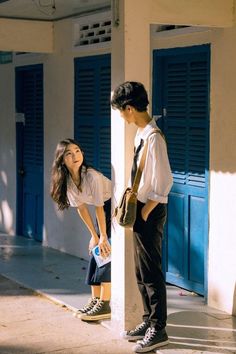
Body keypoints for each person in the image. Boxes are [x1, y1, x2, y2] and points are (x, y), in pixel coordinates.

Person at [111, 82, 173, 352]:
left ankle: (159, 328)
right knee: (140, 270)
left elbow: (164, 183)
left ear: (129, 108)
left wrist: (145, 212)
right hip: (141, 210)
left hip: (150, 210)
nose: (122, 118)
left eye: (121, 112)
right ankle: (148, 321)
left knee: (151, 272)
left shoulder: (153, 138)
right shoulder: (141, 133)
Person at [50, 138, 111, 322]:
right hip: (101, 210)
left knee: (105, 253)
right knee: (95, 252)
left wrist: (103, 237)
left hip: (113, 206)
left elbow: (100, 207)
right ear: (62, 160)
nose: (75, 156)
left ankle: (105, 302)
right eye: (69, 153)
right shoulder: (67, 180)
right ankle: (95, 299)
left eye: (77, 151)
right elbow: (82, 208)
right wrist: (94, 236)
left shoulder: (91, 176)